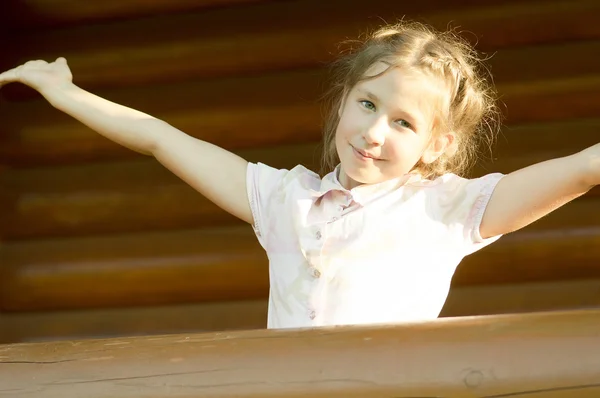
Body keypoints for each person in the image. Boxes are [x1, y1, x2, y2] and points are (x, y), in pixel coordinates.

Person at [1, 21, 598, 329]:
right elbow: (162, 139)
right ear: (344, 100)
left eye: (402, 122)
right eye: (367, 105)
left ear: (436, 143)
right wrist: (66, 93)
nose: (373, 132)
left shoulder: (445, 208)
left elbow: (580, 170)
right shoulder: (283, 199)